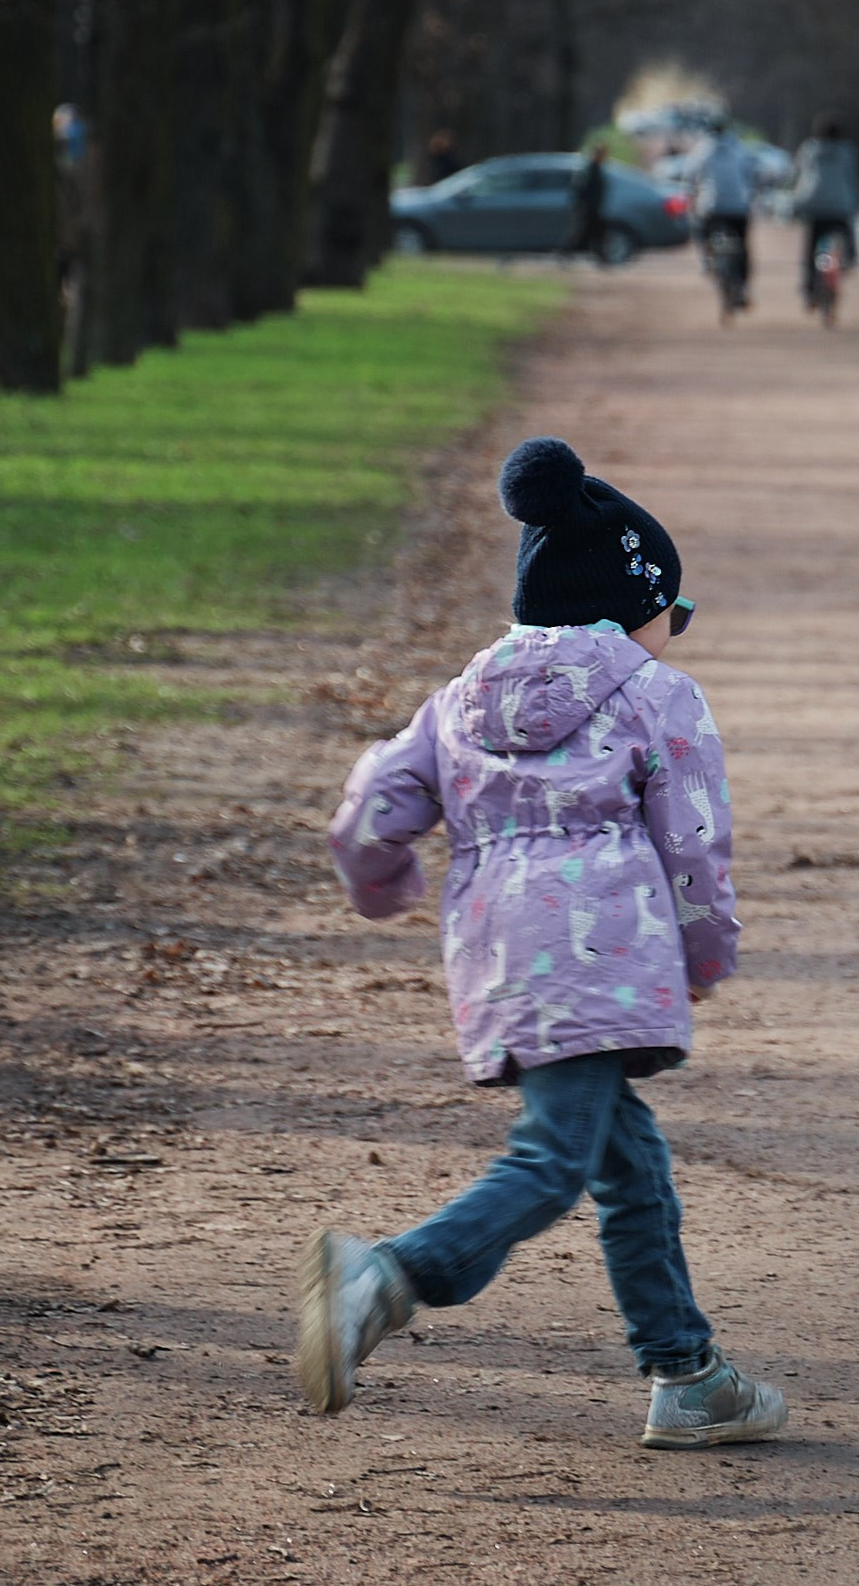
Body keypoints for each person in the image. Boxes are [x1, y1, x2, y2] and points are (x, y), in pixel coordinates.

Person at [298, 436, 786, 1452]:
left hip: (502, 962)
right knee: (555, 1159)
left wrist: (386, 886)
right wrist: (704, 955)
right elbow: (694, 844)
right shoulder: (658, 695)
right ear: (633, 607)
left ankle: (686, 1371)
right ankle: (390, 1276)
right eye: (675, 613)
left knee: (628, 1163)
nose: (678, 633)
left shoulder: (456, 701)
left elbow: (365, 816)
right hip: (609, 955)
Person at [789, 113, 859, 309]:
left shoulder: (809, 150)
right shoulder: (847, 151)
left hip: (813, 204)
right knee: (846, 232)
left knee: (811, 247)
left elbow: (798, 174)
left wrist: (796, 203)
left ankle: (810, 288)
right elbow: (851, 178)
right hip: (841, 205)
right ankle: (851, 258)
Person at [686, 117, 757, 307]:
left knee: (700, 228)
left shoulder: (702, 150)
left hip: (712, 207)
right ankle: (742, 286)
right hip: (739, 207)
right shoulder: (740, 147)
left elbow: (691, 177)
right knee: (742, 246)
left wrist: (692, 196)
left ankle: (707, 260)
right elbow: (751, 174)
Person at [565, 142, 610, 264]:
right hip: (588, 208)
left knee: (597, 233)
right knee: (581, 233)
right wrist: (584, 204)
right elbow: (581, 189)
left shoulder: (596, 169)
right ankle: (565, 254)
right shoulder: (590, 170)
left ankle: (601, 256)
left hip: (594, 208)